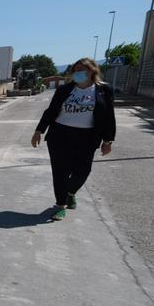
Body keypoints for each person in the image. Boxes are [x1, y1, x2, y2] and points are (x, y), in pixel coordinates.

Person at [31, 57, 115, 221]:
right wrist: (39, 130)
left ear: (92, 71)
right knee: (60, 172)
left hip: (88, 137)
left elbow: (108, 117)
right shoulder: (64, 90)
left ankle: (70, 192)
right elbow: (51, 111)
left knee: (83, 171)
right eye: (75, 70)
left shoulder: (104, 90)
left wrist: (107, 140)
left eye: (82, 70)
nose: (78, 73)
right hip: (60, 135)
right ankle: (60, 205)